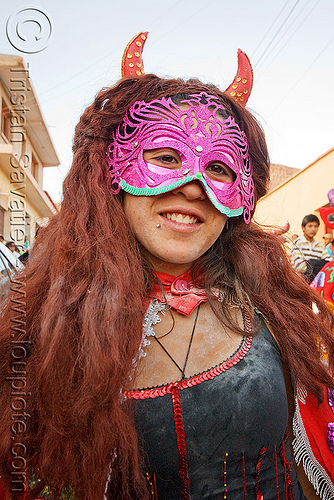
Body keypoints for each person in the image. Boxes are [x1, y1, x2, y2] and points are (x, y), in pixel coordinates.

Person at [0, 33, 334, 500]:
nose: (195, 185)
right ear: (111, 173)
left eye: (219, 167)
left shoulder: (273, 305)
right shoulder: (43, 319)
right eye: (165, 157)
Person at [290, 214, 331, 282]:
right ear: (303, 227)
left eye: (316, 226)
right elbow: (300, 267)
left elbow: (328, 264)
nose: (313, 229)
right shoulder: (298, 243)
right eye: (310, 226)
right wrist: (319, 264)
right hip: (299, 283)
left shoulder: (320, 246)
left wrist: (311, 264)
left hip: (315, 283)